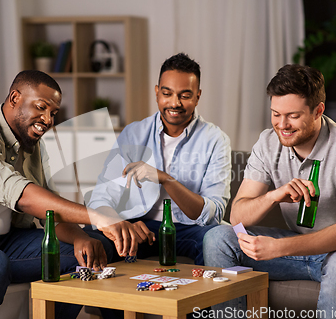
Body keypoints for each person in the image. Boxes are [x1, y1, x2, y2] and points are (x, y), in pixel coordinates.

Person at [0, 70, 150, 319]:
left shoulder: (31, 144)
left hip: (5, 243)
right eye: (41, 107)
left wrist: (80, 237)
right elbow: (23, 195)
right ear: (14, 98)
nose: (48, 119)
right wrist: (99, 217)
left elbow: (49, 208)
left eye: (53, 113)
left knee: (96, 249)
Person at [203, 64, 336, 319]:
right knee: (218, 237)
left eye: (293, 116)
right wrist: (273, 196)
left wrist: (280, 248)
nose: (282, 125)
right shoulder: (267, 143)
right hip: (303, 247)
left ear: (318, 110)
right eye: (275, 114)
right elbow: (238, 215)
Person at [87, 53, 231, 265]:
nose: (175, 103)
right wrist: (119, 223)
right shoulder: (133, 134)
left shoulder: (216, 140)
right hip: (140, 226)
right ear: (157, 93)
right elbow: (101, 196)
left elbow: (213, 214)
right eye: (167, 93)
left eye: (185, 95)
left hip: (190, 230)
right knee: (89, 239)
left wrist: (165, 179)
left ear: (198, 96)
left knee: (219, 239)